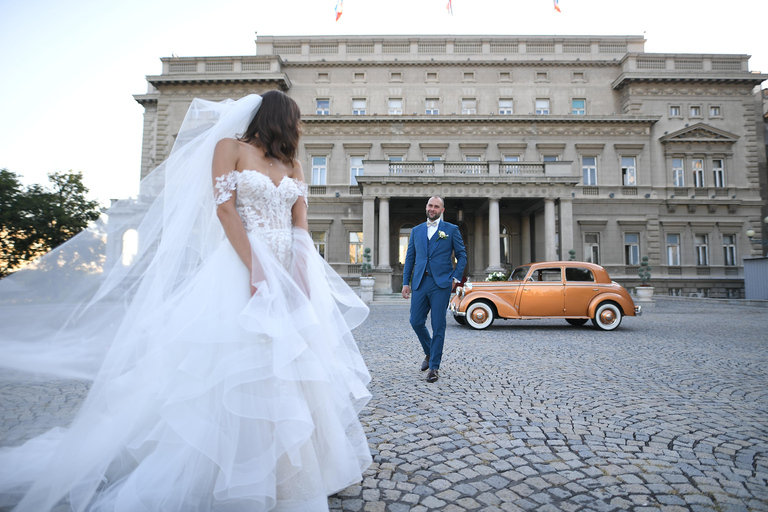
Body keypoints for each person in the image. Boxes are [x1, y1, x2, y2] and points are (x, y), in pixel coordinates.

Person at [0, 92, 372, 511]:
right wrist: (256, 268)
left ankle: (291, 472)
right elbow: (226, 212)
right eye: (295, 122)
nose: (298, 130)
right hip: (240, 264)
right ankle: (229, 472)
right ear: (277, 119)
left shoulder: (294, 165)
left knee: (292, 369)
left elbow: (300, 224)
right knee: (239, 365)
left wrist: (300, 277)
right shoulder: (229, 148)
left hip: (289, 268)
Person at [401, 196, 467, 383]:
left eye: (436, 206)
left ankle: (434, 367)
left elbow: (462, 255)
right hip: (420, 283)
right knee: (415, 321)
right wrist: (406, 282)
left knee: (438, 325)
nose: (432, 209)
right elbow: (410, 258)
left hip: (441, 284)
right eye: (430, 205)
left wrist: (455, 277)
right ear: (426, 207)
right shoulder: (416, 231)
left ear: (442, 210)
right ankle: (430, 353)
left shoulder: (451, 230)